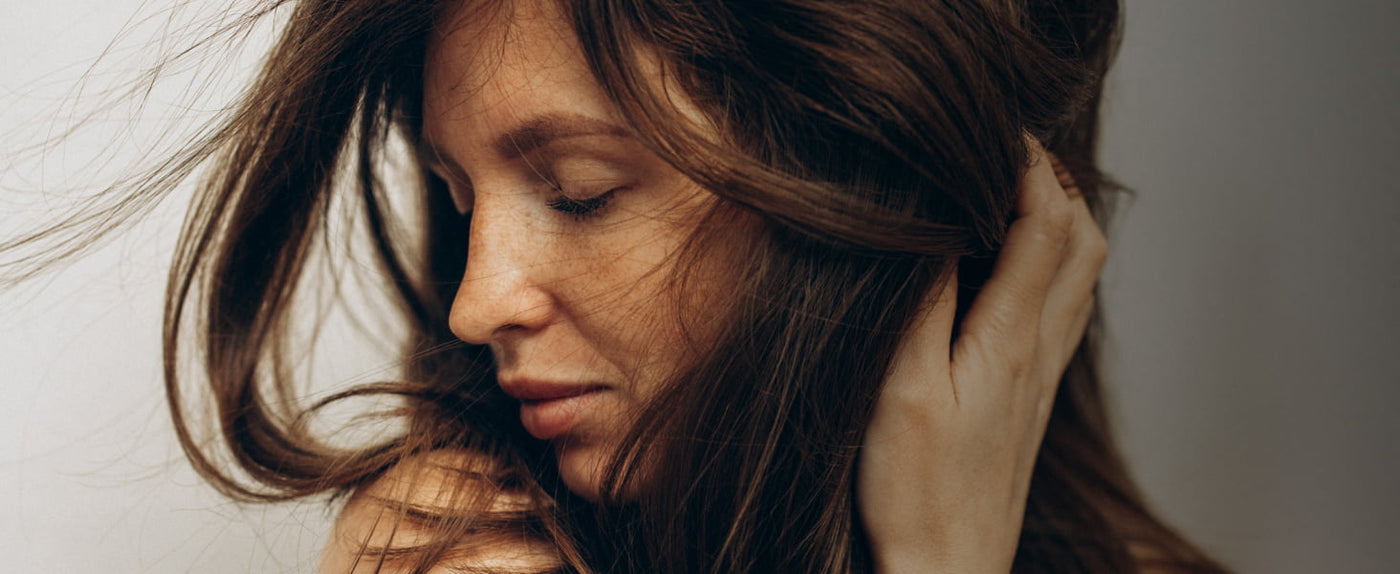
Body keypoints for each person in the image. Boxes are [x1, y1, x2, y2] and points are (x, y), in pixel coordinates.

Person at [7, 0, 1229, 572]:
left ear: (871, 187)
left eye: (579, 191)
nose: (475, 304)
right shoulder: (463, 555)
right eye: (459, 197)